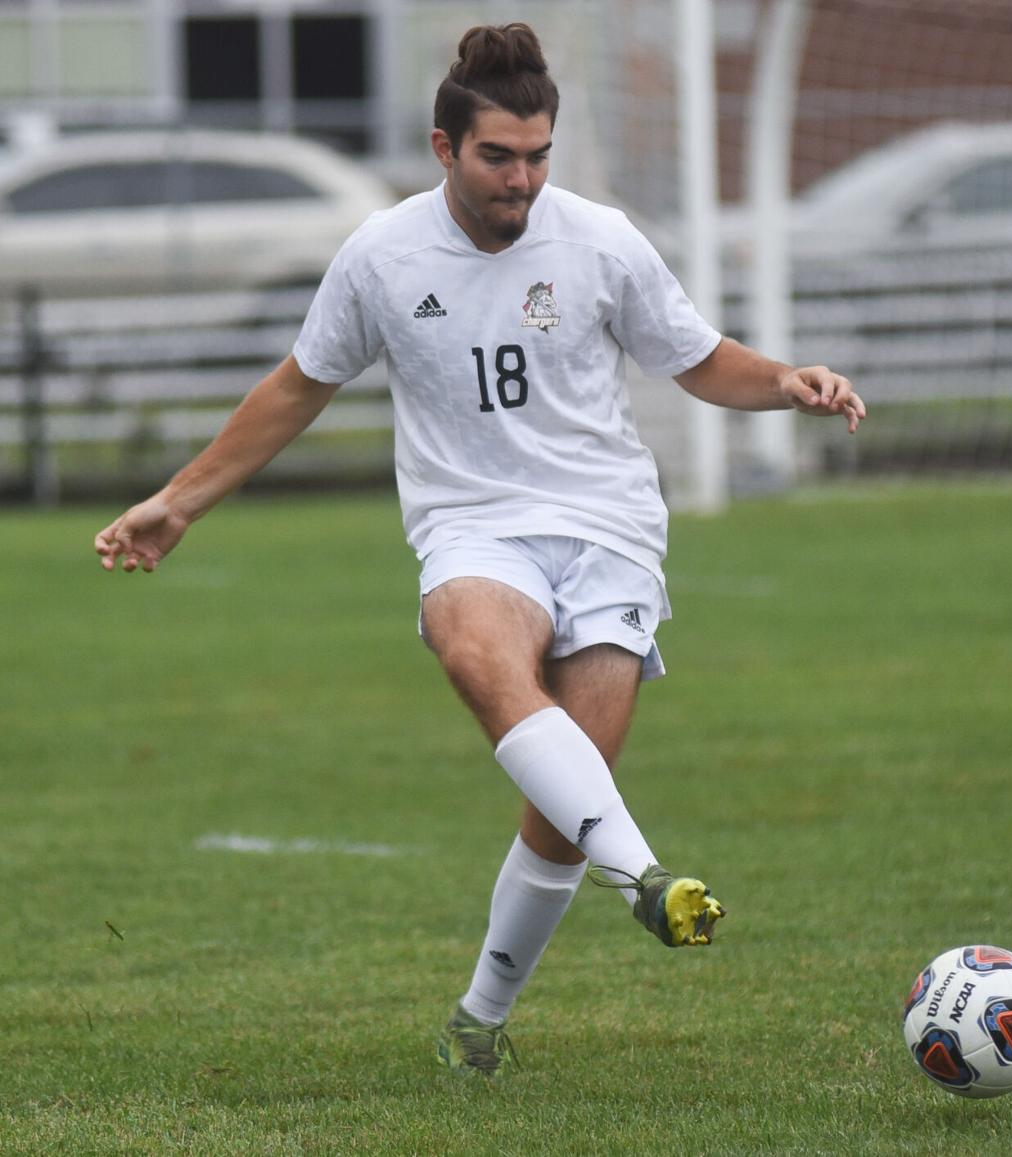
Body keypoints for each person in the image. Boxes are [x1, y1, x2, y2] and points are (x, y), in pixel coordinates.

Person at [94, 22, 866, 1077]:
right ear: (444, 148)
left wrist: (786, 379)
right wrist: (177, 502)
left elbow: (698, 360)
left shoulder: (599, 238)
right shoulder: (383, 254)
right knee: (474, 650)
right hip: (474, 525)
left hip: (609, 525)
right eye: (500, 156)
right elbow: (295, 388)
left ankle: (479, 1017)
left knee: (565, 796)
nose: (524, 178)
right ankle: (645, 875)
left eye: (539, 154)